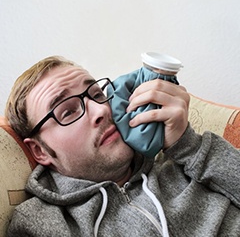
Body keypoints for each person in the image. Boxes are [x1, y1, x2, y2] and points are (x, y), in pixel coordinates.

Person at [5, 56, 240, 237]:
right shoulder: (41, 223)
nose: (102, 110)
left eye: (97, 94)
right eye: (67, 111)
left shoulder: (187, 161)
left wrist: (188, 146)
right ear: (40, 151)